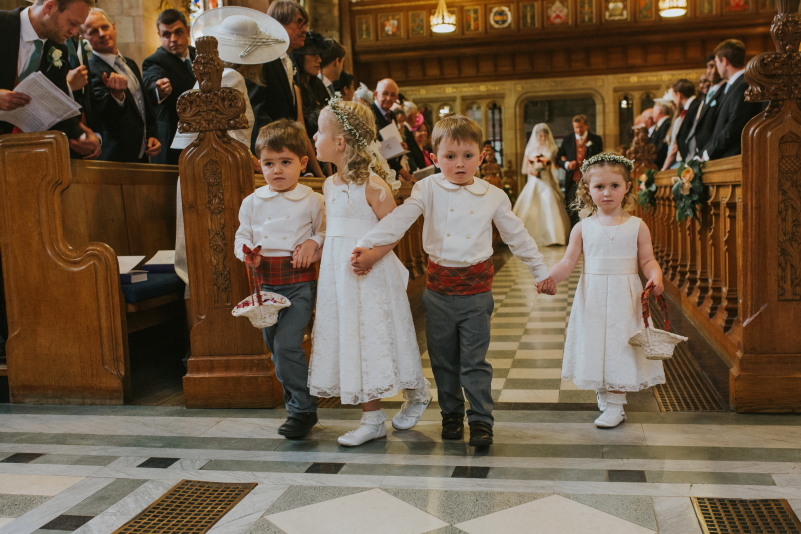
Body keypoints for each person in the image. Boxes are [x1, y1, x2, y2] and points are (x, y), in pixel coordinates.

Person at [351, 115, 551, 447]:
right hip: (438, 292)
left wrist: (540, 271)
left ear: (482, 155)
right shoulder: (426, 188)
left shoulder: (494, 195)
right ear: (434, 158)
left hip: (477, 294)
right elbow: (400, 219)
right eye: (450, 157)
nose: (459, 164)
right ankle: (452, 416)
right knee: (443, 360)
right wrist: (369, 243)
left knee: (475, 361)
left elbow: (518, 236)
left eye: (468, 156)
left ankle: (482, 420)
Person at [307, 96, 429, 447]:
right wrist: (317, 247)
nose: (314, 139)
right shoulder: (329, 185)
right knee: (352, 339)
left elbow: (394, 230)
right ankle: (372, 418)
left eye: (319, 132)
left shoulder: (373, 185)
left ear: (341, 143)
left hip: (371, 275)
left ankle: (417, 392)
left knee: (380, 337)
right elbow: (332, 230)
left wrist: (372, 256)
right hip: (339, 276)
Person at [537, 153, 665, 428]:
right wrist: (550, 279)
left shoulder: (637, 226)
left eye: (614, 186)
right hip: (593, 296)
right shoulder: (583, 228)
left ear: (627, 187)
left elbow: (647, 259)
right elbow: (568, 262)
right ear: (587, 189)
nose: (607, 193)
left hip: (624, 297)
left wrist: (655, 277)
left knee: (620, 344)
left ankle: (616, 405)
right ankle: (605, 397)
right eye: (599, 187)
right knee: (597, 343)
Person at [234, 119, 325, 439]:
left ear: (302, 163)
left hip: (299, 282)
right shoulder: (252, 201)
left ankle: (302, 409)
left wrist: (314, 243)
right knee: (275, 349)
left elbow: (324, 232)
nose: (277, 170)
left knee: (288, 345)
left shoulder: (312, 199)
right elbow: (241, 236)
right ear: (259, 164)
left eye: (285, 162)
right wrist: (246, 253)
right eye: (268, 163)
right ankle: (296, 406)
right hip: (265, 287)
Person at [0, 0, 101, 158]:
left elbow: (54, 105)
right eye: (71, 23)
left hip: (19, 154)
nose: (74, 32)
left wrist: (81, 136)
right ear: (49, 7)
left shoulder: (59, 49)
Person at [247, 0, 323, 176]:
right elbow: (255, 111)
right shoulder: (264, 58)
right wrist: (277, 152)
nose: (304, 30)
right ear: (277, 24)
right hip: (272, 158)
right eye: (298, 23)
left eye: (305, 24)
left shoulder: (286, 61)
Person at [83, 8, 161, 163]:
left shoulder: (129, 63)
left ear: (114, 27)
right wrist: (116, 96)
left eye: (104, 27)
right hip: (116, 156)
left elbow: (143, 105)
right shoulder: (89, 70)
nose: (102, 34)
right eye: (93, 31)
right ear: (83, 38)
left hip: (142, 153)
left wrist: (152, 135)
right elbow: (100, 118)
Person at [142, 9, 196, 164]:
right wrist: (158, 88)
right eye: (166, 34)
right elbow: (151, 81)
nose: (173, 39)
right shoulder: (155, 61)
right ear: (159, 35)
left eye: (178, 32)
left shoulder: (199, 54)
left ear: (187, 31)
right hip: (175, 141)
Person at [701, 39, 763, 160]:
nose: (716, 68)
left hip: (733, 157)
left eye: (717, 62)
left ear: (724, 61)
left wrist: (709, 153)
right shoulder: (734, 85)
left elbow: (734, 126)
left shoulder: (743, 85)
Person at [514, 123, 570, 246]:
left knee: (549, 201)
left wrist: (547, 166)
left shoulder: (552, 149)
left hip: (546, 180)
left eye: (545, 136)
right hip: (534, 180)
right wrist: (533, 170)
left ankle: (553, 237)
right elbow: (526, 167)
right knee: (530, 207)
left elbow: (554, 166)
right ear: (536, 136)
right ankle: (526, 238)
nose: (543, 139)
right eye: (540, 136)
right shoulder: (530, 149)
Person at [557, 114, 604, 227]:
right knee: (571, 207)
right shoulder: (568, 140)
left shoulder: (596, 139)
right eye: (576, 127)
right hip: (573, 180)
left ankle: (591, 230)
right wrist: (567, 164)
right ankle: (575, 233)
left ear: (586, 126)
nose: (578, 130)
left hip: (590, 180)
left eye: (581, 127)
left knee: (590, 206)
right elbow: (559, 158)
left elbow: (601, 159)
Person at [371, 78, 413, 180]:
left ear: (397, 97)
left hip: (391, 172)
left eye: (392, 95)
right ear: (375, 94)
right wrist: (403, 172)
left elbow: (388, 143)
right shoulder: (370, 114)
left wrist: (399, 146)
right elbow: (377, 147)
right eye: (385, 93)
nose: (389, 98)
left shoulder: (392, 115)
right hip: (376, 172)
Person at [291, 31, 330, 138]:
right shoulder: (293, 87)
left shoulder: (318, 85)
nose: (319, 60)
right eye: (313, 54)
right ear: (300, 57)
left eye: (319, 55)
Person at [687, 54, 726, 160]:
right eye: (709, 66)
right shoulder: (709, 94)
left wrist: (708, 151)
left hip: (713, 153)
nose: (713, 71)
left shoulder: (725, 92)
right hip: (700, 153)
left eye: (716, 66)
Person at [662, 79, 699, 170]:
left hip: (694, 158)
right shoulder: (689, 108)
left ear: (679, 95)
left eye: (674, 97)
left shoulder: (695, 106)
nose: (674, 101)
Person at [649, 102, 672, 169]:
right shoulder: (661, 124)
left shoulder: (667, 124)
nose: (652, 115)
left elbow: (661, 146)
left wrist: (653, 163)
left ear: (659, 111)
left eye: (653, 112)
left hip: (660, 164)